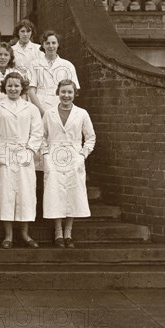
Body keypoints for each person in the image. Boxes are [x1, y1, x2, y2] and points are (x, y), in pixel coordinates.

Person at [0, 72, 43, 249]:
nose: (13, 89)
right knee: (6, 194)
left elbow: (37, 133)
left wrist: (30, 150)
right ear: (4, 87)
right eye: (10, 85)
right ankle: (8, 235)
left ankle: (25, 233)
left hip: (24, 154)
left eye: (16, 85)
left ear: (22, 87)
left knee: (25, 194)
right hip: (4, 152)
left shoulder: (31, 108)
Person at [42, 80, 96, 248]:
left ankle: (68, 232)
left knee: (72, 194)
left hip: (74, 159)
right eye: (63, 92)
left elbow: (91, 137)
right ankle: (58, 231)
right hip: (54, 159)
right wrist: (46, 156)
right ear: (58, 93)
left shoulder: (82, 113)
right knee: (55, 194)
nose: (66, 95)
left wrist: (82, 155)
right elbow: (42, 137)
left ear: (75, 94)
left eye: (70, 92)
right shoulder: (49, 113)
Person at [28, 30, 80, 116]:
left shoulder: (68, 65)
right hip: (39, 106)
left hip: (60, 105)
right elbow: (31, 91)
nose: (51, 46)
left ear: (58, 44)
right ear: (43, 45)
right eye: (47, 43)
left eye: (53, 43)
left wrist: (64, 108)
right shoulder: (34, 65)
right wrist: (41, 111)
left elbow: (73, 90)